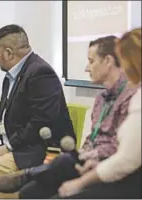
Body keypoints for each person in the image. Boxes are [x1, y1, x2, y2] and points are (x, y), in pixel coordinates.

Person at [0, 35, 139, 199]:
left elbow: (121, 151)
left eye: (91, 61)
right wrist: (85, 156)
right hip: (91, 161)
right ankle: (31, 176)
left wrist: (87, 164)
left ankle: (31, 174)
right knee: (31, 190)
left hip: (113, 171)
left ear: (108, 61)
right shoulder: (101, 98)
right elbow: (95, 137)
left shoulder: (131, 98)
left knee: (60, 176)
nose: (86, 69)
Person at [0, 24, 75, 199]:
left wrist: (9, 147)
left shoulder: (40, 72)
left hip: (42, 148)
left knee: (0, 167)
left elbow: (42, 121)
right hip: (20, 146)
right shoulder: (11, 75)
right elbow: (0, 113)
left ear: (8, 53)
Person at [58, 27, 141, 199]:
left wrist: (83, 181)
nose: (121, 68)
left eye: (123, 60)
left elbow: (127, 160)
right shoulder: (110, 97)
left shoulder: (135, 96)